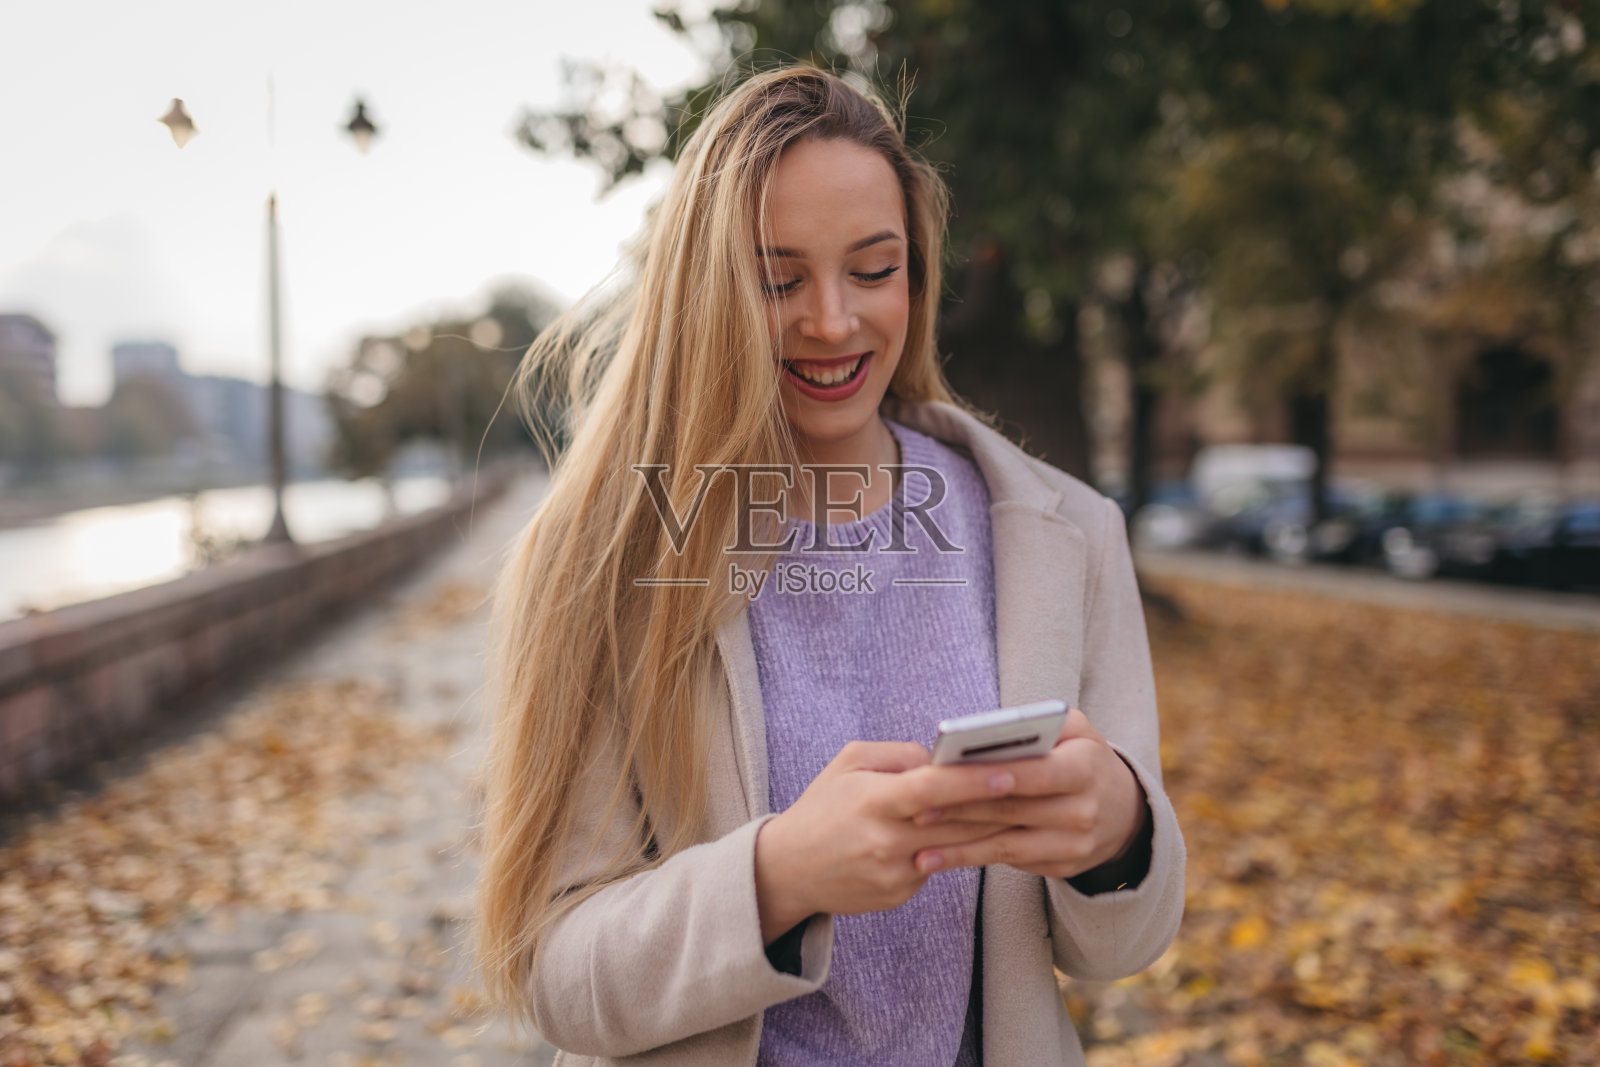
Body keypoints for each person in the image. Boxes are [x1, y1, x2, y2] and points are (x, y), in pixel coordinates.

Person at [475, 65, 1185, 1066]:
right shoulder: (597, 556)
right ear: (704, 289)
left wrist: (1117, 833)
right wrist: (777, 875)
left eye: (871, 267)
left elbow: (1128, 941)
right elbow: (555, 973)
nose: (832, 320)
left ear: (917, 275)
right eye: (777, 278)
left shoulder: (1065, 532)